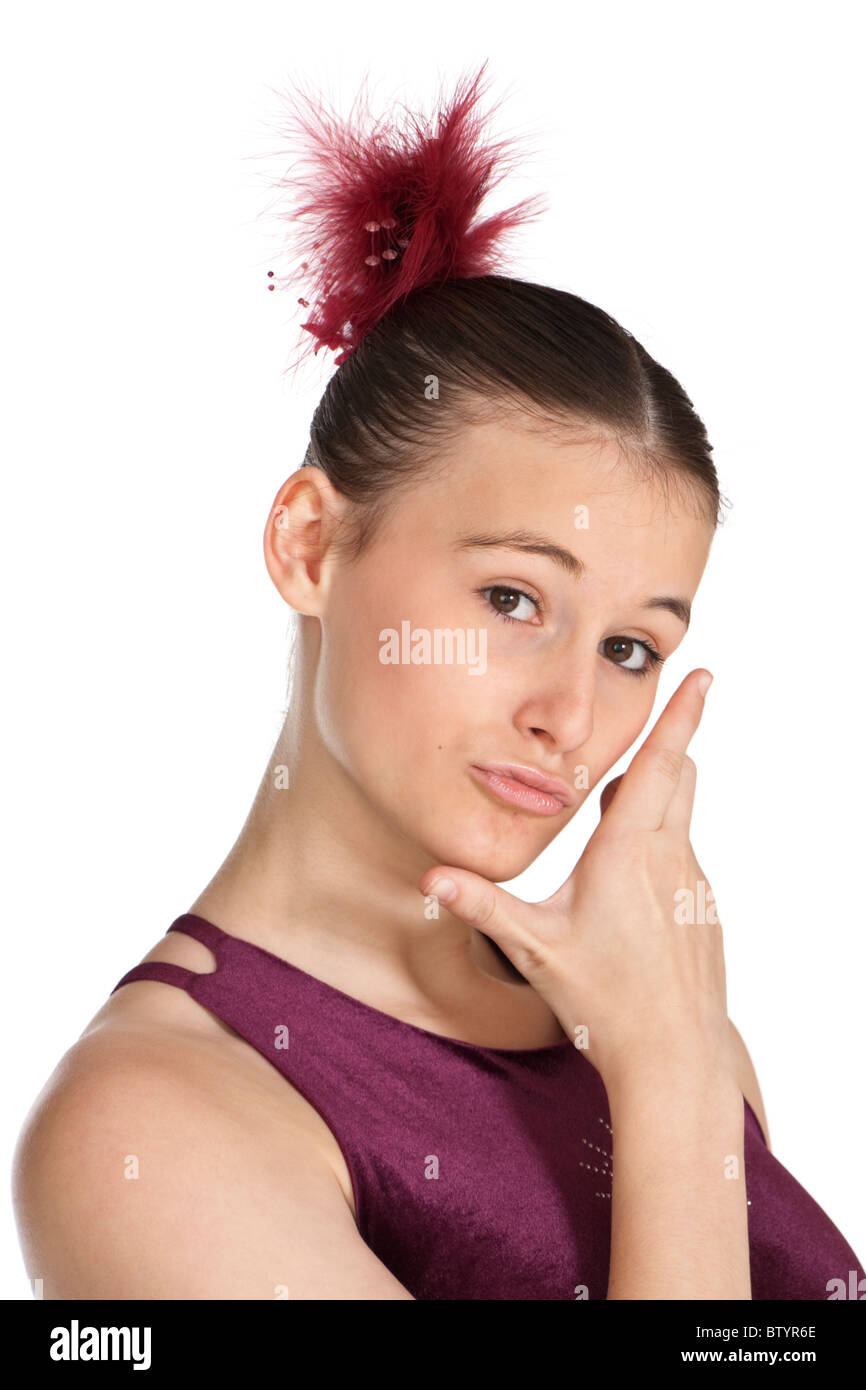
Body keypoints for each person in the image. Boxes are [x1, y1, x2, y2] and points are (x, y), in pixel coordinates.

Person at [12, 62, 864, 1301]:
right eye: (513, 600)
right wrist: (674, 1081)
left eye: (630, 647)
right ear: (309, 544)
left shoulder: (646, 1018)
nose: (569, 720)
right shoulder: (147, 1128)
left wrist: (672, 1055)